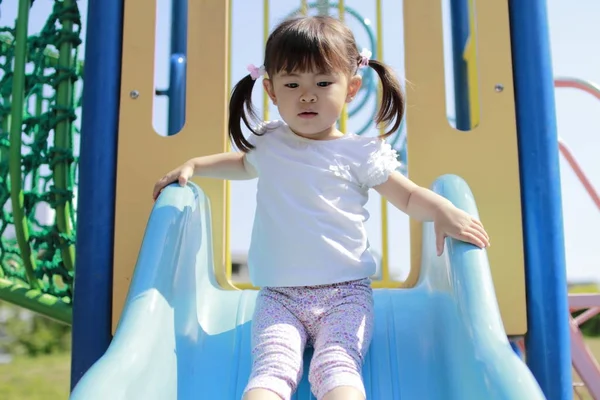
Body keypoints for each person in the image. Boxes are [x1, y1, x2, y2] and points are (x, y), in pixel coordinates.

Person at [152, 15, 490, 400]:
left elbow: (408, 196)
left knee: (337, 364)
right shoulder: (269, 143)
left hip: (345, 294)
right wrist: (195, 164)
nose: (307, 95)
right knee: (270, 368)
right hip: (279, 296)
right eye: (292, 84)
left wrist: (442, 209)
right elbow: (241, 164)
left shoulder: (359, 153)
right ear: (271, 90)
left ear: (351, 89)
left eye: (323, 83)